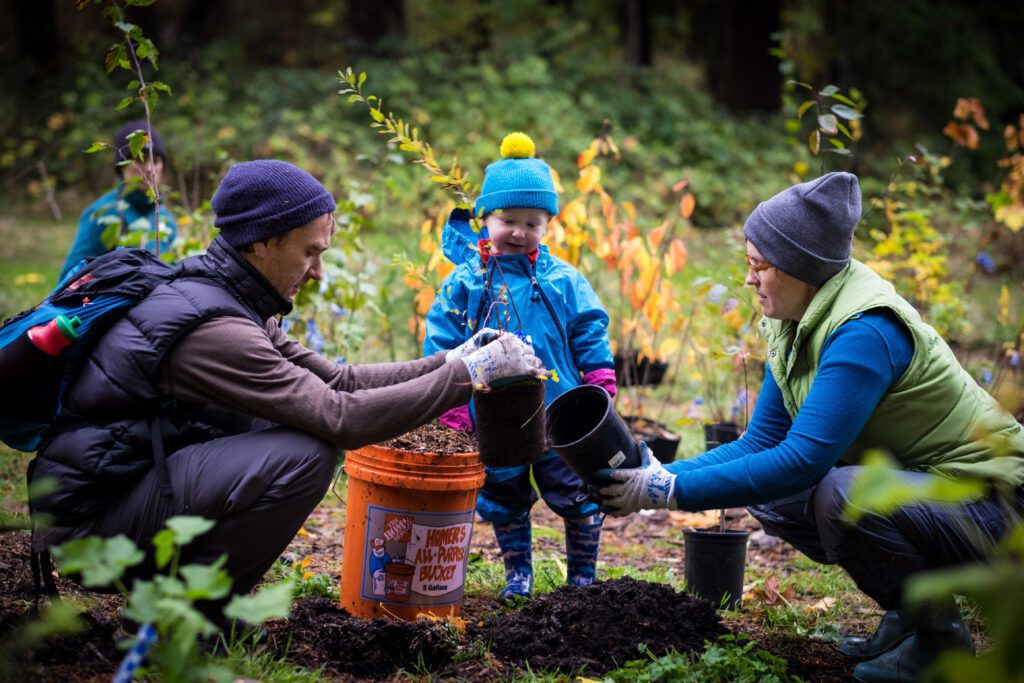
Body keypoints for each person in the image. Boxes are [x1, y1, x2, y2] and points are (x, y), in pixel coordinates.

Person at [30, 159, 542, 629]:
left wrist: (453, 358)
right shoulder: (216, 331)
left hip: (133, 483)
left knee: (292, 428)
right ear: (261, 243)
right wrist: (465, 378)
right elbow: (339, 417)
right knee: (306, 452)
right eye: (309, 252)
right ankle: (183, 618)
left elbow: (337, 381)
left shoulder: (231, 297)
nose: (317, 271)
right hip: (90, 524)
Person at [590, 172, 1024, 682]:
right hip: (929, 486)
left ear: (802, 267)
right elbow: (761, 442)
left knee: (840, 491)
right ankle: (908, 615)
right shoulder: (796, 315)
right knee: (776, 495)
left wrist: (668, 493)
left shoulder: (864, 330)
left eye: (759, 266)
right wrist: (661, 472)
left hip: (995, 504)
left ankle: (938, 645)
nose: (749, 279)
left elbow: (804, 460)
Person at [424, 132, 617, 601]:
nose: (518, 231)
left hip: (558, 410)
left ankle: (583, 577)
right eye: (507, 219)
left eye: (532, 222)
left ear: (548, 225)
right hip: (491, 413)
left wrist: (599, 376)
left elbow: (588, 328)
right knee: (505, 493)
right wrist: (450, 400)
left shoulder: (563, 280)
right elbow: (442, 340)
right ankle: (518, 575)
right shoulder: (466, 281)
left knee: (576, 491)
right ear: (485, 218)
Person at [59, 119, 178, 280]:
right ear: (121, 166)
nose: (150, 169)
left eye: (155, 161)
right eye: (140, 160)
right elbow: (70, 279)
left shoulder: (166, 219)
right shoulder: (102, 214)